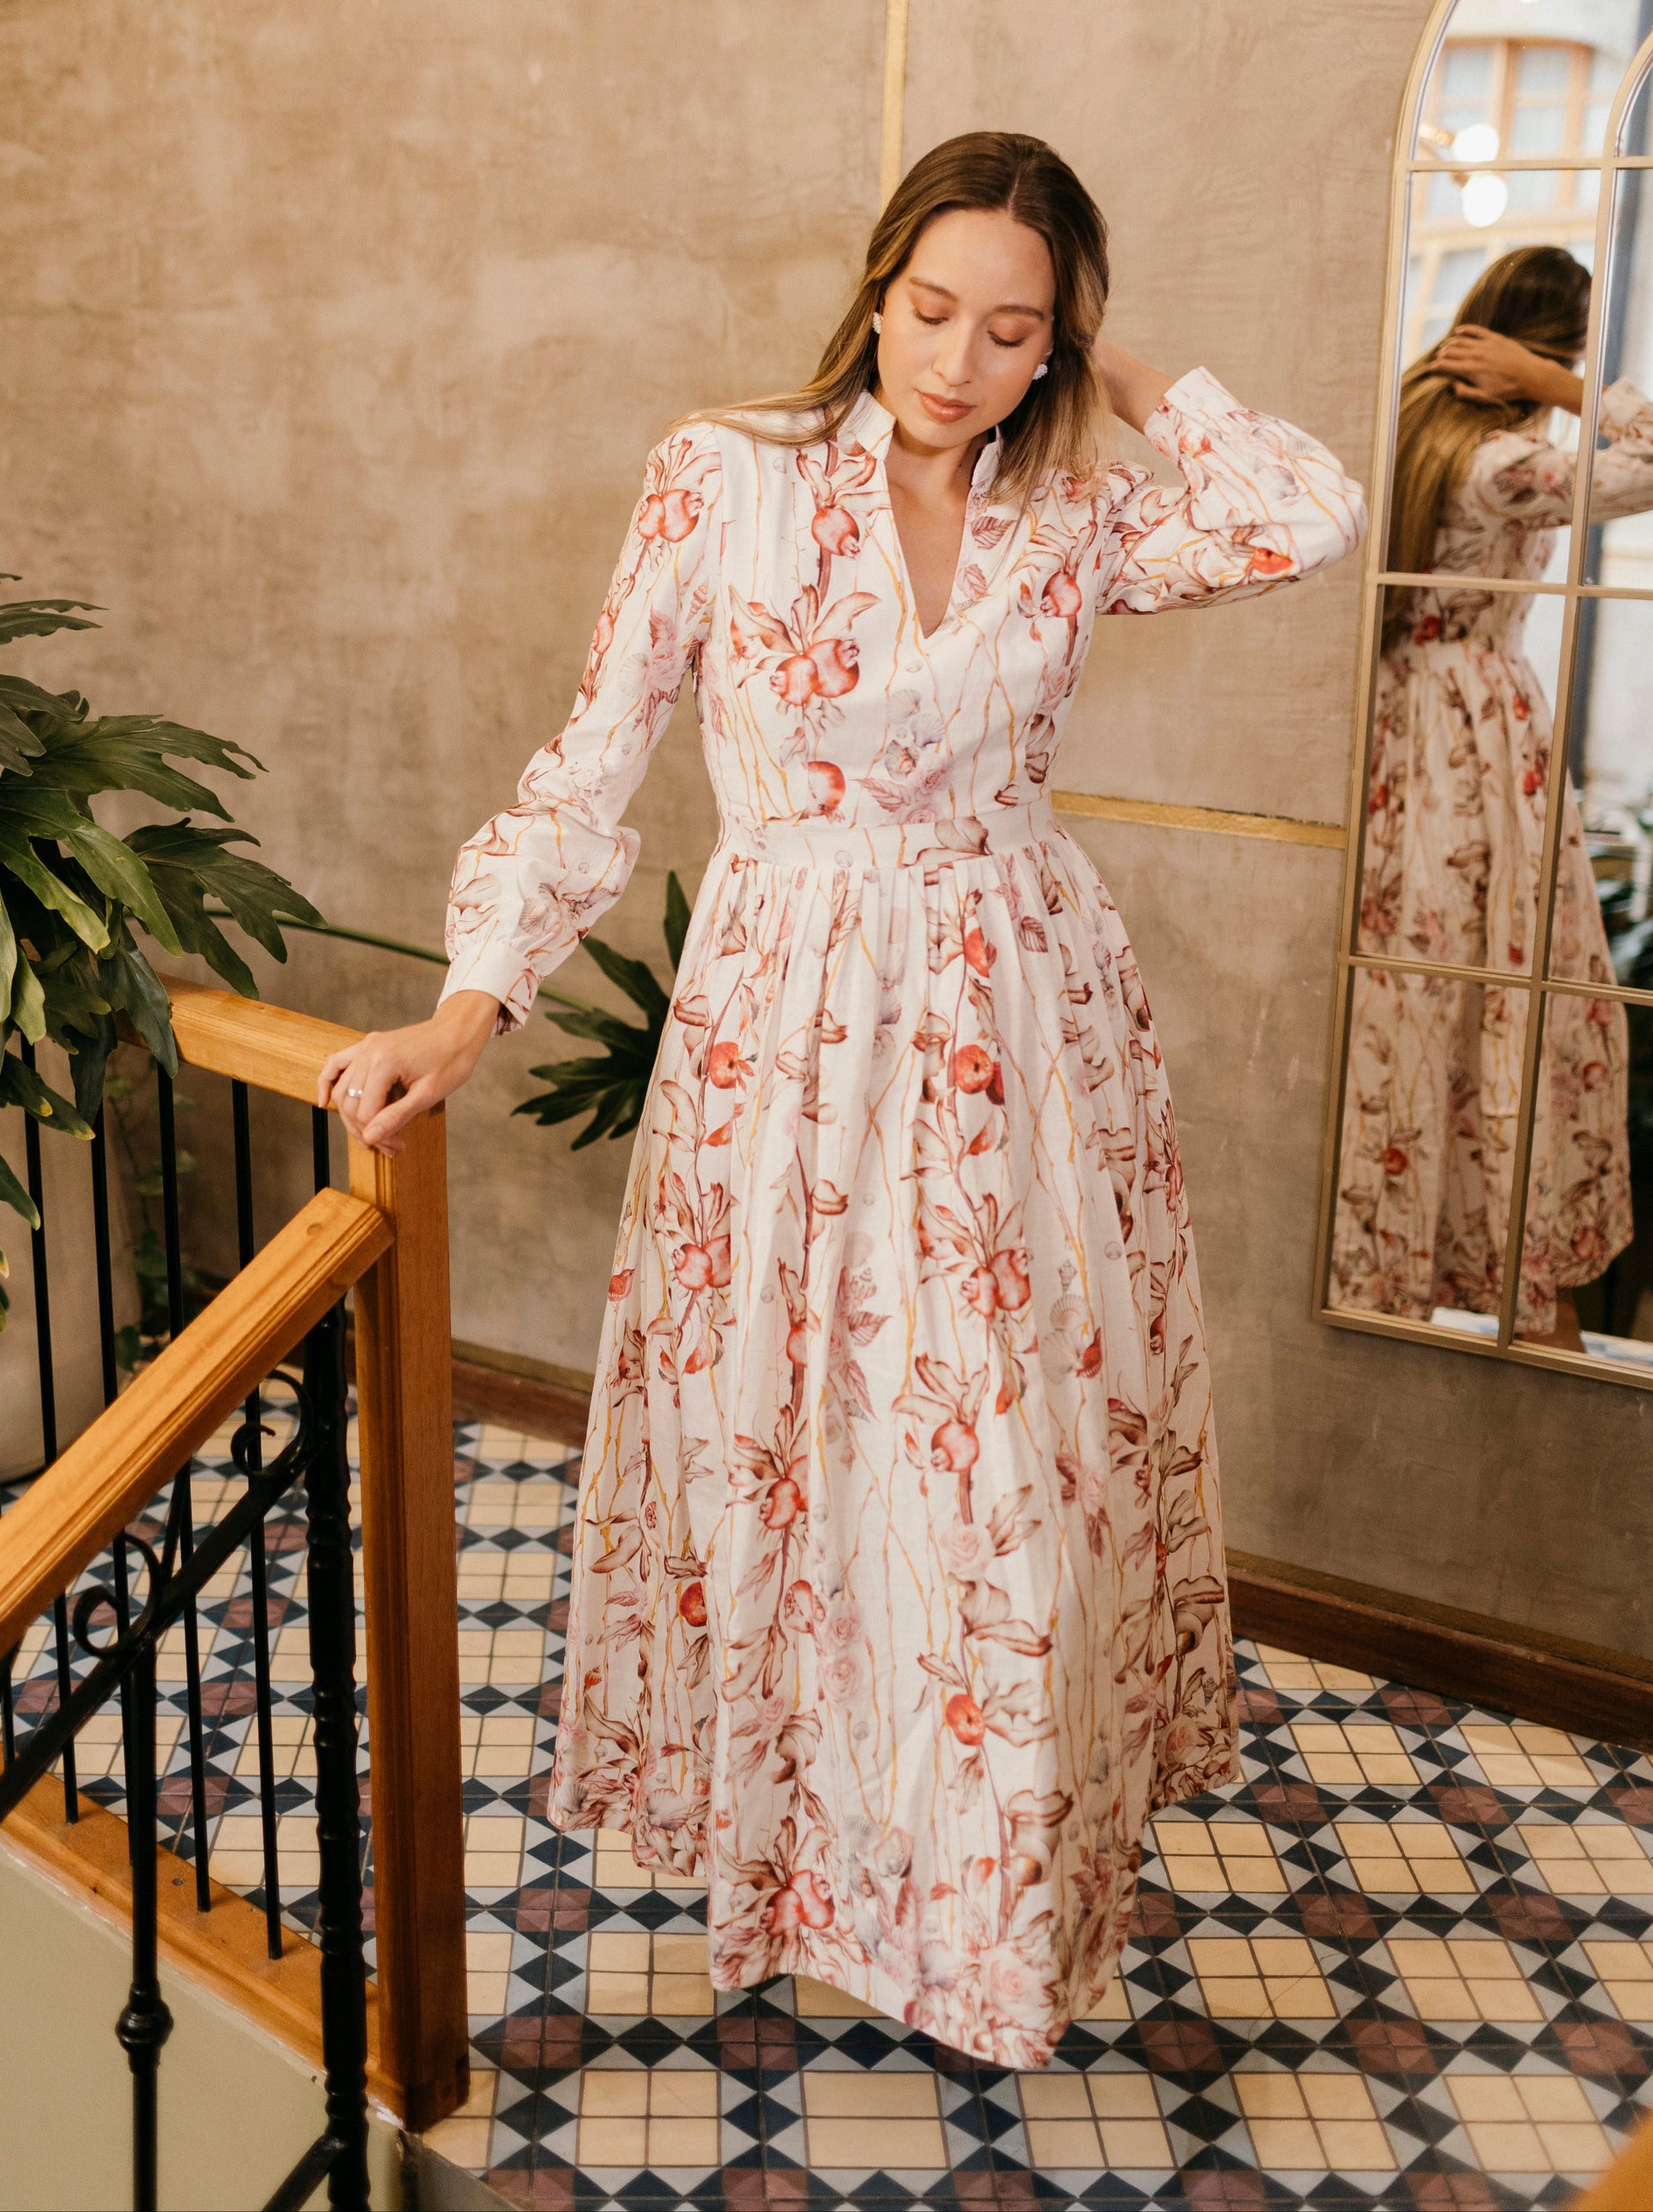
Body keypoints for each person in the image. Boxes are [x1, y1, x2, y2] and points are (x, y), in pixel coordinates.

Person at [320, 131, 1365, 2067]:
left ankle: (982, 1915)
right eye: (931, 309)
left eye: (1015, 331)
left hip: (1020, 1024)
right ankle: (814, 1871)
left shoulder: (1073, 516)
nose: (959, 362)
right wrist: (468, 1010)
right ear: (876, 289)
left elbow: (1304, 514)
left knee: (1001, 1475)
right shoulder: (723, 475)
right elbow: (591, 758)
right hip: (787, 1026)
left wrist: (1133, 379)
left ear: (1059, 344)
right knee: (805, 1457)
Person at [1330, 247, 1645, 1342]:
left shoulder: (1415, 433)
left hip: (1397, 732)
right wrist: (1561, 386)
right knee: (1497, 995)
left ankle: (1406, 1261)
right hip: (1469, 744)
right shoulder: (1500, 464)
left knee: (1418, 1002)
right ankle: (1495, 1266)